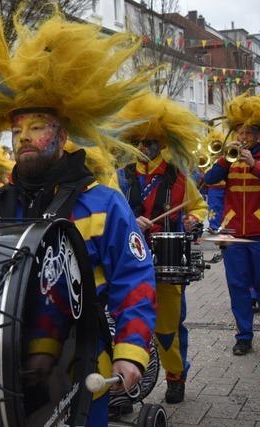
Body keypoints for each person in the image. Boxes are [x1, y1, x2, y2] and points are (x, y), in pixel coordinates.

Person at [0, 9, 156, 426]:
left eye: (38, 126)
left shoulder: (104, 204)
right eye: (17, 129)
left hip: (80, 368)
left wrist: (131, 352)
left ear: (62, 136)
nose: (23, 137)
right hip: (2, 368)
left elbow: (134, 281)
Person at [116, 93, 207, 404]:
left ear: (161, 142)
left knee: (168, 327)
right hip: (128, 261)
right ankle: (125, 383)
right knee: (125, 321)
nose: (142, 148)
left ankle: (175, 376)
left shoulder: (178, 177)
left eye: (149, 142)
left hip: (168, 259)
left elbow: (200, 206)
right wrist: (130, 220)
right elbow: (109, 214)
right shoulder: (121, 178)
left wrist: (193, 218)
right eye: (137, 141)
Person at [204, 93, 260, 356]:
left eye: (249, 132)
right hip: (235, 234)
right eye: (240, 131)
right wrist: (227, 158)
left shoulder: (255, 158)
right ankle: (244, 337)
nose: (244, 136)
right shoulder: (230, 157)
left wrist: (254, 164)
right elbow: (209, 178)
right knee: (238, 287)